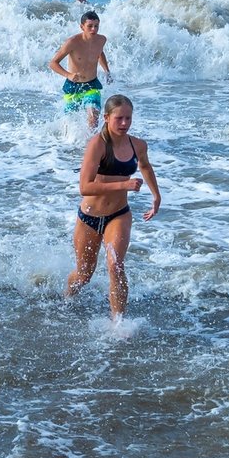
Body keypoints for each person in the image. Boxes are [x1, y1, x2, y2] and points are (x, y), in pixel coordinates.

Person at [66, 94, 161, 320]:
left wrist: (156, 196)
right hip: (90, 216)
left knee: (116, 265)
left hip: (119, 215)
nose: (125, 123)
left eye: (128, 118)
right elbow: (85, 187)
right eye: (119, 118)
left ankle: (118, 324)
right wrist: (123, 184)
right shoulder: (97, 145)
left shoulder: (137, 144)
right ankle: (66, 301)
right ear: (106, 118)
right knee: (84, 274)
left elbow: (145, 167)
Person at [49, 10, 112, 128]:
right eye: (90, 26)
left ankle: (89, 144)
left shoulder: (101, 40)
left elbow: (100, 53)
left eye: (96, 26)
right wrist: (68, 75)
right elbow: (53, 63)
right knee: (69, 123)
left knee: (93, 118)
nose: (94, 29)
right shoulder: (72, 42)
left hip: (92, 84)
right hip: (73, 86)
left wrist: (107, 71)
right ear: (82, 27)